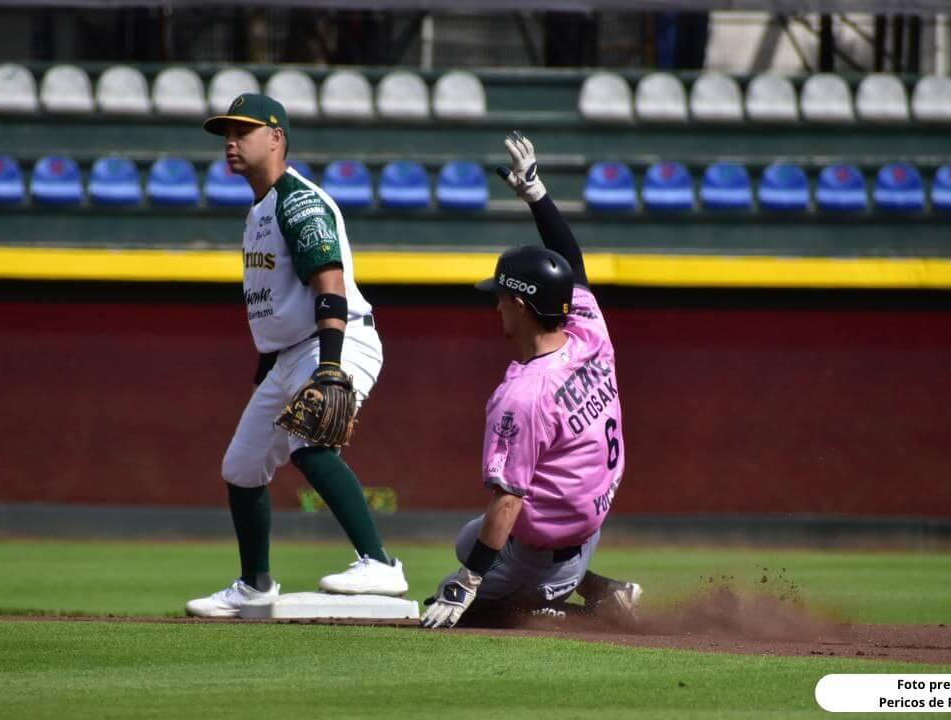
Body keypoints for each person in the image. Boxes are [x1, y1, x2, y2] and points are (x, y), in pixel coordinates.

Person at [186, 93, 407, 617]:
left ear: (276, 137)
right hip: (289, 353)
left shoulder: (297, 200)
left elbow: (329, 283)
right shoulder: (260, 208)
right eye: (226, 134)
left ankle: (379, 563)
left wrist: (330, 366)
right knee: (241, 467)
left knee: (310, 440)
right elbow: (278, 304)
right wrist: (270, 370)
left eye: (243, 132)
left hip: (337, 337)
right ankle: (255, 585)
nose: (231, 143)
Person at [421, 131, 641, 629]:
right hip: (588, 528)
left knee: (460, 602)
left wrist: (466, 584)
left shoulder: (523, 394)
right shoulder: (588, 332)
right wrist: (536, 194)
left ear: (519, 305)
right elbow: (573, 265)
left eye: (499, 295)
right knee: (466, 539)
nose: (495, 302)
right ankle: (598, 585)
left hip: (546, 555)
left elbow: (509, 498)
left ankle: (561, 606)